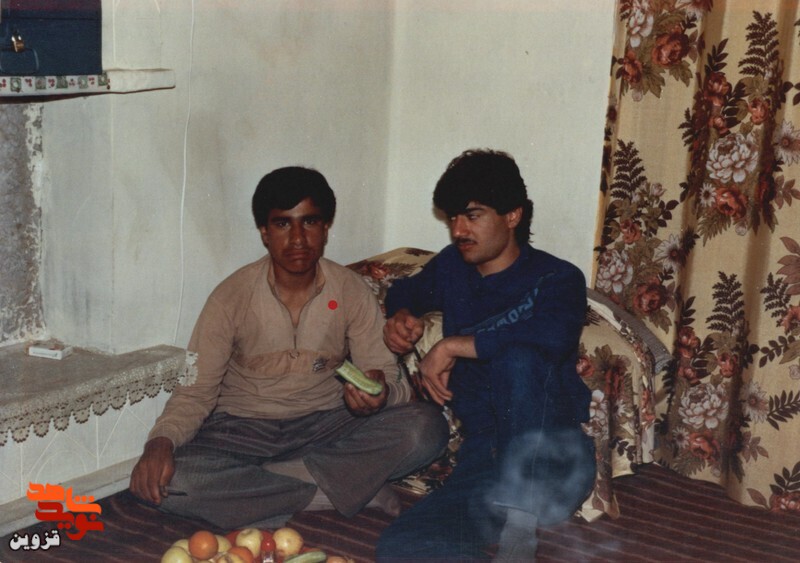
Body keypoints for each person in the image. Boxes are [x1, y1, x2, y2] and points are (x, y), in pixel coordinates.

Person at [129, 166, 449, 530]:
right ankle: (330, 490)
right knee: (175, 482)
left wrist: (379, 394)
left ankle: (269, 485)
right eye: (283, 224)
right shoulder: (229, 297)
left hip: (327, 424)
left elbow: (387, 377)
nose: (298, 238)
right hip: (242, 431)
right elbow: (195, 392)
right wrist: (160, 442)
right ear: (265, 232)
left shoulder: (349, 290)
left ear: (325, 228)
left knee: (426, 429)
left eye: (309, 222)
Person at [377, 149, 596, 561]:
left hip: (552, 459)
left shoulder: (557, 277)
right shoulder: (452, 268)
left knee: (519, 359)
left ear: (512, 215)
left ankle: (520, 529)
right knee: (399, 547)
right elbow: (405, 291)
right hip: (484, 461)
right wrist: (401, 314)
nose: (458, 230)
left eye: (472, 215)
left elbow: (551, 335)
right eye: (452, 218)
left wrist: (453, 345)